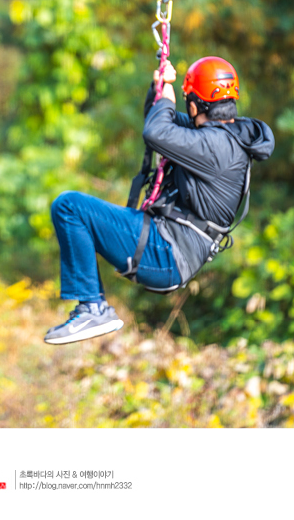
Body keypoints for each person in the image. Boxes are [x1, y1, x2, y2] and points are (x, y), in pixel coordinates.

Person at [43, 54, 274, 345]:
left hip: (166, 252)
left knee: (70, 207)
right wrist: (159, 89)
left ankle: (93, 308)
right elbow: (156, 123)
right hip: (166, 244)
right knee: (72, 208)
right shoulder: (221, 137)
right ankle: (92, 307)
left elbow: (156, 133)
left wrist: (167, 97)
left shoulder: (216, 146)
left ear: (193, 104)